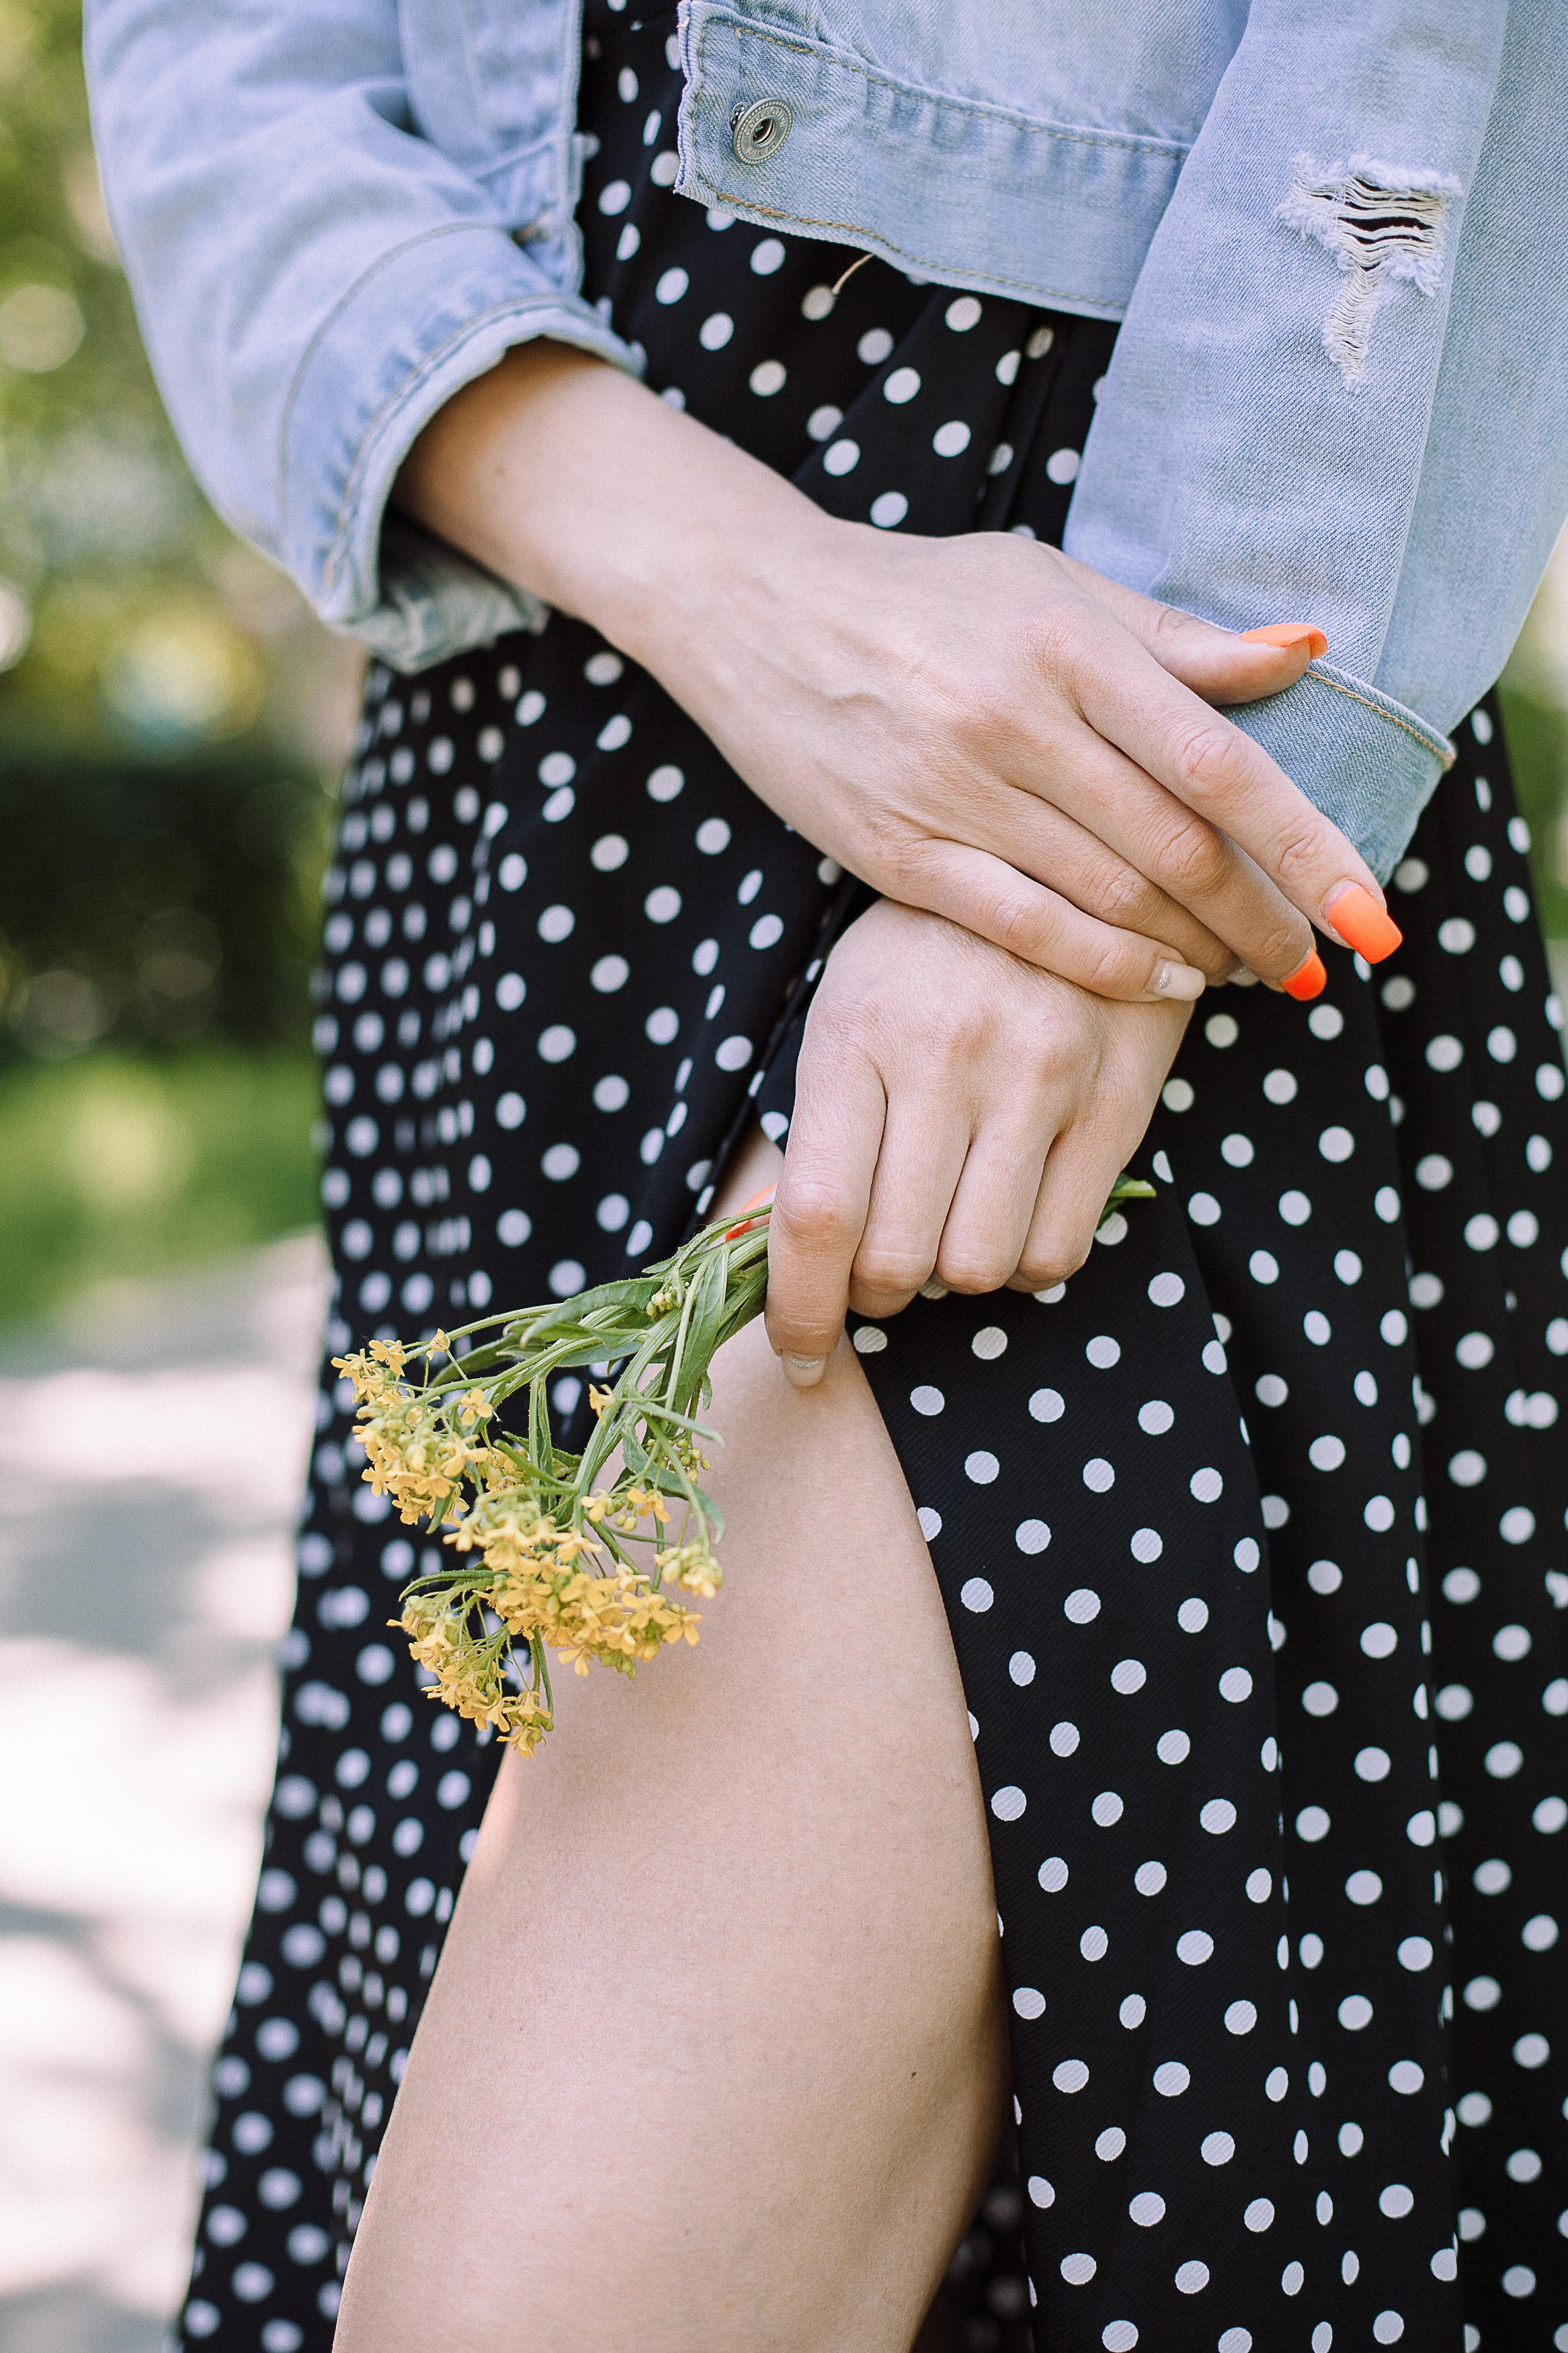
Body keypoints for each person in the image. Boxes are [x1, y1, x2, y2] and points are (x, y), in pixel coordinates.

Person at [85, 1, 1568, 2346]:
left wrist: (1118, 860)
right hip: (532, 809)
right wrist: (754, 593)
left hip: (1099, 740)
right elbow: (212, 75)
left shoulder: (1093, 853)